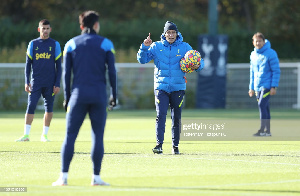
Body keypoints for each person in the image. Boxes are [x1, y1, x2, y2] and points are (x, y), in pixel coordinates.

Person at [52, 10, 117, 186]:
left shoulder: (71, 44)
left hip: (77, 96)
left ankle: (63, 177)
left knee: (70, 136)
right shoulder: (106, 43)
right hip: (98, 96)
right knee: (98, 136)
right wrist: (114, 95)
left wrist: (67, 98)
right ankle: (96, 178)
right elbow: (112, 72)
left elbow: (66, 74)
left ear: (81, 26)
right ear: (96, 25)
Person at [137, 21, 204, 154]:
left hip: (178, 87)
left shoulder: (185, 47)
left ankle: (175, 146)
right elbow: (142, 60)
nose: (171, 35)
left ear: (177, 33)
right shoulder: (156, 46)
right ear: (164, 34)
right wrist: (144, 47)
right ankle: (159, 145)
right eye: (169, 32)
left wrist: (198, 66)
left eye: (173, 32)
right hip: (161, 87)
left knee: (176, 118)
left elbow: (199, 62)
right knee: (160, 115)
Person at [16, 19, 62, 142]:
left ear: (50, 29)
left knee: (49, 109)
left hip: (50, 83)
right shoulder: (33, 44)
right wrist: (27, 81)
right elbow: (27, 65)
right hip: (35, 82)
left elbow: (59, 66)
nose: (45, 31)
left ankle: (44, 135)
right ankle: (26, 135)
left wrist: (57, 83)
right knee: (30, 106)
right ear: (39, 29)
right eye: (43, 28)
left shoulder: (55, 44)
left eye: (47, 28)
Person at [248, 32, 280, 137]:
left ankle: (262, 129)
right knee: (265, 107)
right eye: (256, 41)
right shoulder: (253, 55)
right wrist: (251, 88)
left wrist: (273, 86)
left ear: (263, 41)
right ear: (253, 42)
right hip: (257, 86)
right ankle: (268, 131)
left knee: (261, 104)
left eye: (260, 41)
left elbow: (276, 71)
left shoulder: (271, 53)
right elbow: (252, 73)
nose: (258, 43)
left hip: (267, 86)